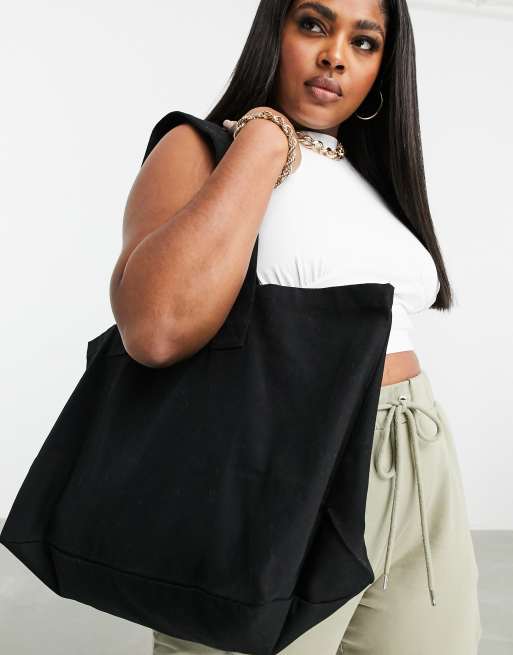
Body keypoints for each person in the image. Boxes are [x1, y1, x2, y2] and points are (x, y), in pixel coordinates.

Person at [110, 0, 482, 653]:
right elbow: (154, 328)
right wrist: (262, 139)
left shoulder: (369, 171)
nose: (335, 55)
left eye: (364, 42)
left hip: (414, 454)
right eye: (313, 24)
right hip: (276, 461)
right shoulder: (201, 147)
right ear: (272, 32)